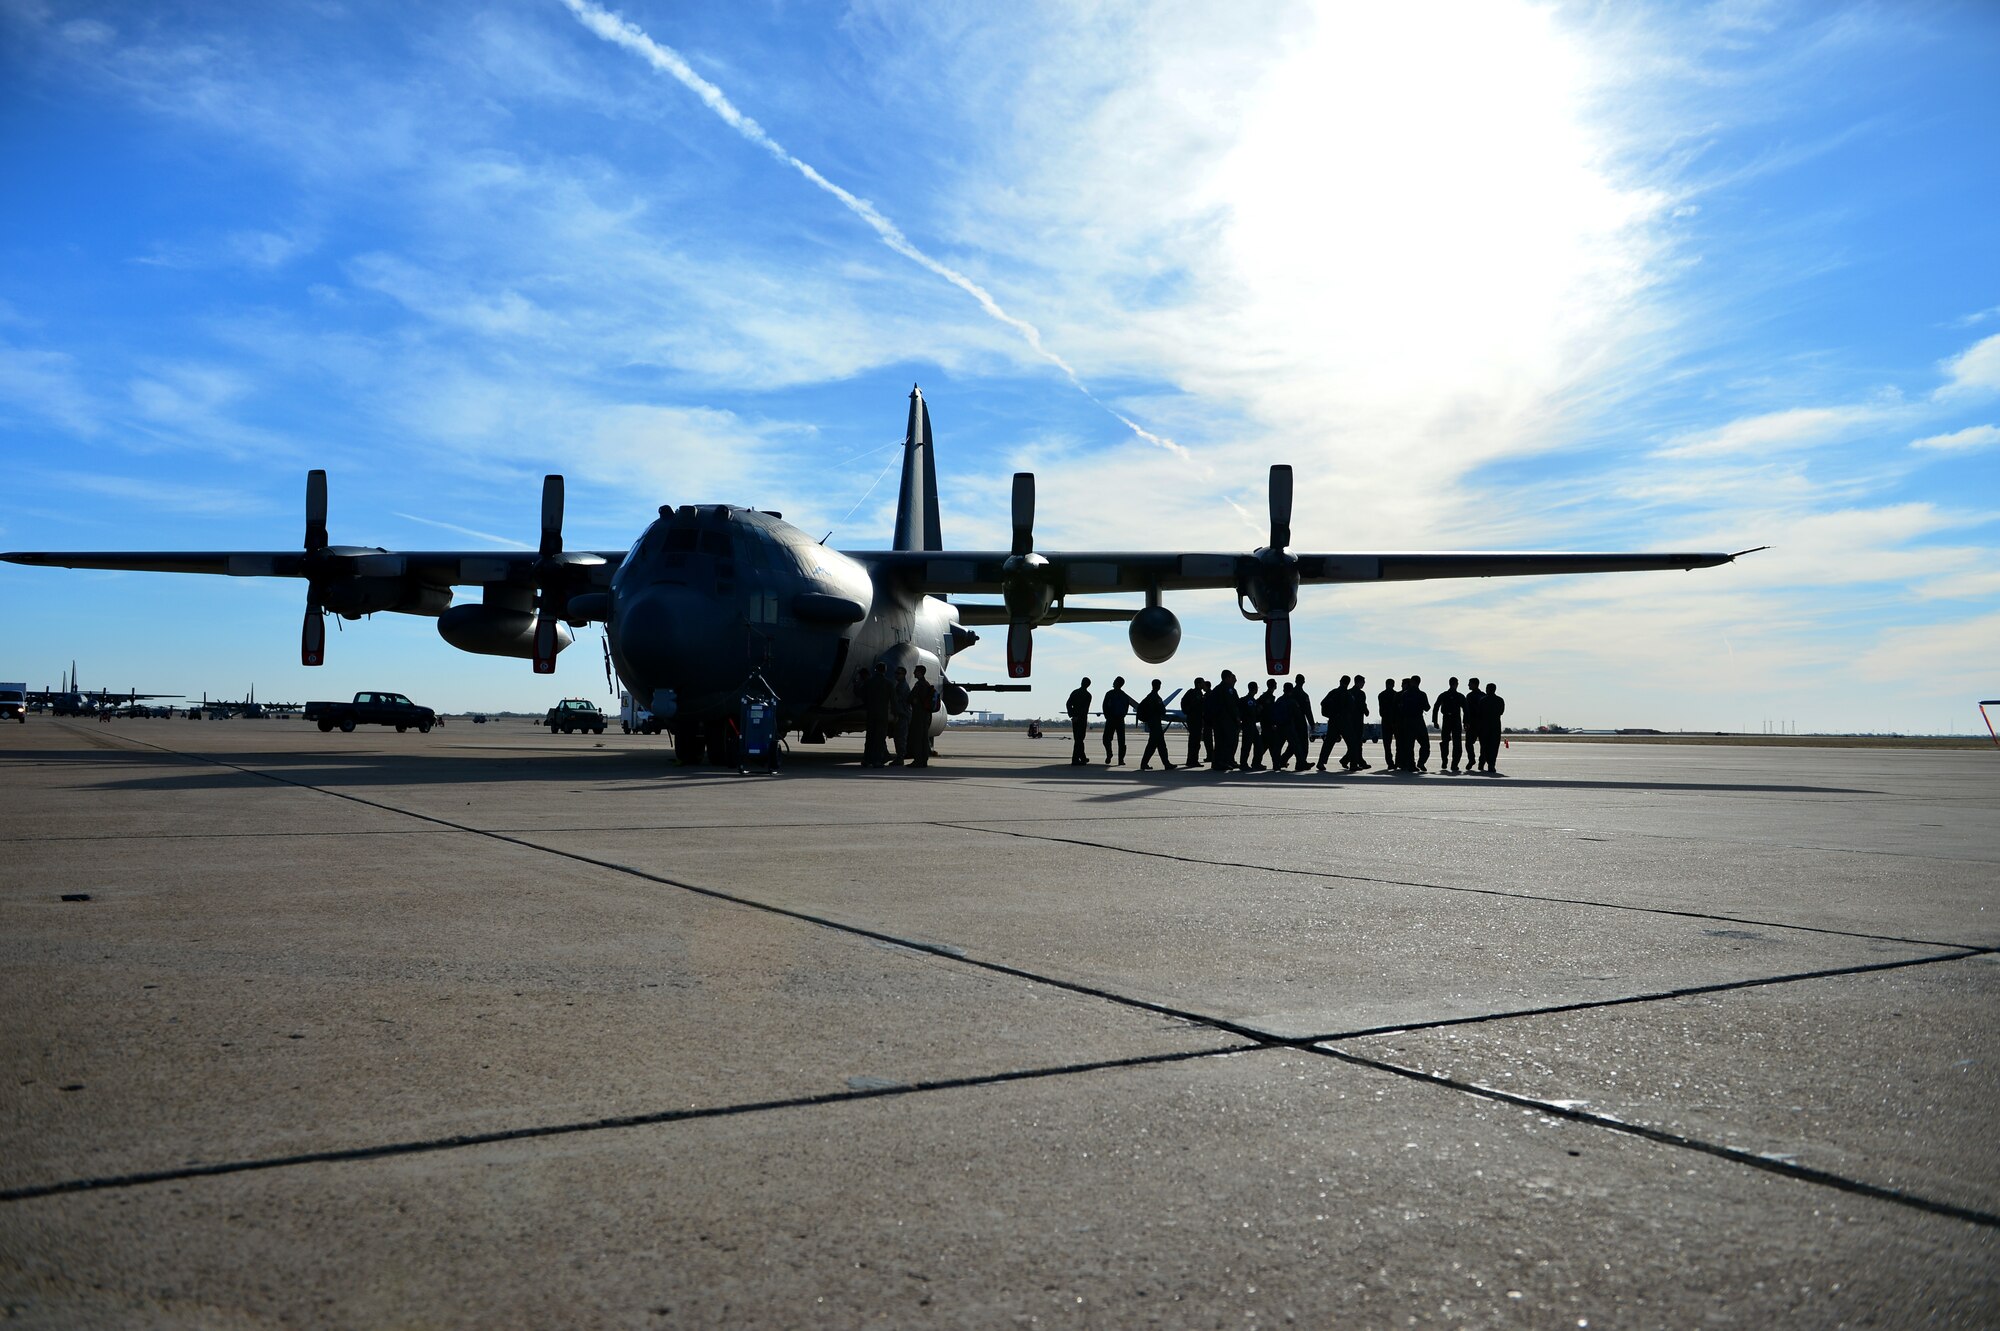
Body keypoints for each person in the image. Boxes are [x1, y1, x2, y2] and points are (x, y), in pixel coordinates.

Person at [1135, 679, 1174, 770]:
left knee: (1161, 745)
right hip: (1155, 724)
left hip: (1152, 723)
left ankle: (1166, 764)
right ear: (1158, 686)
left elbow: (1141, 708)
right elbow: (1162, 711)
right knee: (1153, 745)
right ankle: (1144, 764)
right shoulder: (1156, 698)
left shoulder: (1148, 697)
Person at [861, 662, 893, 768]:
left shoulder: (869, 682)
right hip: (882, 714)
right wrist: (896, 713)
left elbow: (862, 695)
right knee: (879, 738)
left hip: (871, 713)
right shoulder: (888, 683)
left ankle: (866, 759)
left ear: (875, 669)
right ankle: (877, 760)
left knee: (870, 737)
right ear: (884, 670)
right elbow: (894, 700)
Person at [1208, 670, 1240, 771]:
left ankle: (1221, 762)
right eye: (1231, 677)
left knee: (1220, 742)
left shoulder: (1218, 688)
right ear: (1227, 677)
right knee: (1225, 742)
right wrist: (1237, 717)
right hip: (1226, 720)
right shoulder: (1227, 689)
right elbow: (1231, 705)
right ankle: (1222, 762)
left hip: (1219, 720)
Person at [1101, 676, 1138, 766]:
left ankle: (1109, 754)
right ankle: (1120, 760)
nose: (1113, 682)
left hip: (1111, 719)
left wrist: (1107, 716)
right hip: (1120, 720)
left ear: (1117, 683)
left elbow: (1104, 706)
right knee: (1121, 741)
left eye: (1114, 681)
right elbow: (1129, 706)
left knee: (1106, 739)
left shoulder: (1109, 694)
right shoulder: (1124, 696)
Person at [906, 665, 938, 767]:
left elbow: (911, 698)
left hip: (919, 715)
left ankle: (918, 760)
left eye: (916, 671)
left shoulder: (920, 685)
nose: (914, 673)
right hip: (925, 715)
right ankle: (923, 759)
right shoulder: (926, 684)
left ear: (920, 672)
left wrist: (911, 700)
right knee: (924, 738)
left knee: (918, 738)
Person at [1316, 675, 1349, 772]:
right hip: (1343, 722)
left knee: (1328, 743)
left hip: (1334, 721)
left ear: (1340, 681)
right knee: (1353, 744)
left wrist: (1330, 714)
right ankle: (1345, 760)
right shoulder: (1347, 694)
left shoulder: (1334, 692)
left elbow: (1323, 703)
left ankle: (1321, 762)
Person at [1433, 676, 1465, 774]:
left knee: (1445, 741)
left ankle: (1445, 760)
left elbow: (1436, 707)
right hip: (1454, 720)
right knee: (1456, 743)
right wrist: (1466, 722)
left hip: (1448, 720)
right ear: (1456, 684)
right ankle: (1454, 764)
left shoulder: (1444, 695)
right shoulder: (1459, 696)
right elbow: (1466, 710)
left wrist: (1435, 721)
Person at [1403, 674, 1431, 772]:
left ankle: (1411, 765)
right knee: (1425, 744)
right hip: (1418, 721)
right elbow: (1427, 707)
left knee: (1409, 745)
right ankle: (1421, 762)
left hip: (1408, 721)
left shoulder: (1405, 694)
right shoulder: (1422, 694)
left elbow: (1401, 708)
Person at [1344, 673, 1370, 771]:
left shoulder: (1349, 692)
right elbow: (1362, 705)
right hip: (1357, 721)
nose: (1364, 684)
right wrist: (1366, 712)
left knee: (1354, 743)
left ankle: (1352, 761)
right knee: (1357, 743)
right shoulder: (1360, 693)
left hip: (1349, 720)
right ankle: (1353, 763)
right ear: (1359, 682)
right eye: (1363, 682)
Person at [1066, 677, 1093, 765]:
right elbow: (1085, 709)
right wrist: (1078, 716)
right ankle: (1075, 759)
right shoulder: (1088, 695)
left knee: (1078, 739)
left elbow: (1068, 704)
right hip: (1082, 719)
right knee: (1079, 739)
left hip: (1075, 719)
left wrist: (1072, 715)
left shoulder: (1075, 692)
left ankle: (1083, 757)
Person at [1480, 681, 1505, 774]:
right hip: (1496, 725)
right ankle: (1492, 764)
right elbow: (1501, 712)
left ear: (1487, 689)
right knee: (1494, 746)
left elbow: (1480, 712)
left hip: (1485, 725)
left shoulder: (1483, 700)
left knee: (1485, 745)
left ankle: (1485, 762)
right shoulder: (1500, 700)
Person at [1182, 678, 1208, 768]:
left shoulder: (1199, 693)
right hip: (1194, 720)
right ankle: (1192, 761)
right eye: (1203, 683)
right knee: (1194, 741)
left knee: (1195, 742)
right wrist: (1188, 711)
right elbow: (1185, 703)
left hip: (1196, 719)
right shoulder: (1193, 693)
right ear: (1198, 684)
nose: (1204, 684)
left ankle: (1192, 760)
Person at [1237, 680, 1262, 770]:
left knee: (1257, 745)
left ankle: (1254, 763)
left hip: (1250, 725)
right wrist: (1258, 710)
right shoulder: (1250, 701)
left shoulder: (1246, 700)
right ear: (1255, 689)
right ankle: (1244, 764)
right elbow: (1251, 712)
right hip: (1249, 724)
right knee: (1247, 745)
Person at [890, 665, 912, 766]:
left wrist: (896, 714)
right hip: (901, 714)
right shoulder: (900, 685)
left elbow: (897, 701)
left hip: (902, 715)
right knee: (898, 737)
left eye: (898, 674)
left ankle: (900, 757)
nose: (896, 675)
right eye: (896, 673)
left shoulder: (902, 686)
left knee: (900, 737)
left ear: (903, 675)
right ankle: (900, 757)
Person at [1376, 677, 1400, 771]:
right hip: (1395, 721)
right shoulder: (1396, 695)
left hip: (1385, 720)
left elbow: (1381, 710)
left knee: (1387, 744)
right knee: (1398, 743)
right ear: (1393, 684)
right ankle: (1398, 762)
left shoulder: (1381, 695)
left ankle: (1390, 762)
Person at [1289, 674, 1311, 772]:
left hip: (1290, 721)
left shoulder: (1291, 693)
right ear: (1303, 682)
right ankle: (1301, 764)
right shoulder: (1303, 695)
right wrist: (1312, 723)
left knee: (1293, 744)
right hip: (1300, 721)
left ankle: (1282, 760)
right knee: (1303, 744)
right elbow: (1308, 710)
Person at [1463, 677, 1484, 773]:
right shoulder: (1483, 695)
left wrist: (1466, 722)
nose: (1468, 685)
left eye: (1470, 683)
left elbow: (1466, 710)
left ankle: (1472, 759)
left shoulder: (1470, 696)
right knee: (1483, 744)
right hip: (1481, 723)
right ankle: (1481, 763)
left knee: (1468, 743)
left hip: (1472, 722)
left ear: (1475, 684)